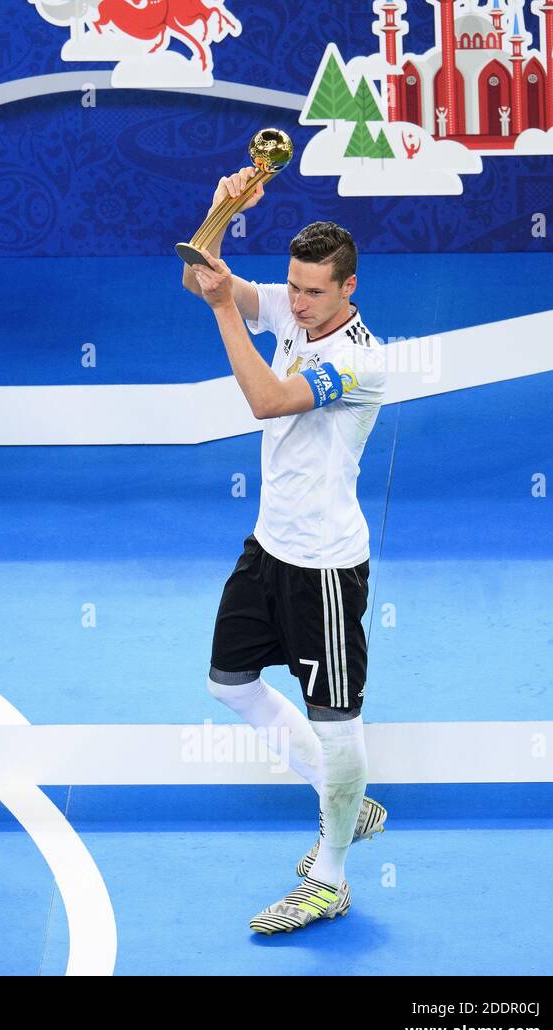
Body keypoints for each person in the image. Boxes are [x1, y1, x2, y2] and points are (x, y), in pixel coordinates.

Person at [182, 168, 389, 934]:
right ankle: (345, 802)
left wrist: (222, 313)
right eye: (293, 288)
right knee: (229, 683)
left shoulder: (362, 361)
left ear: (348, 288)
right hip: (269, 550)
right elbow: (201, 275)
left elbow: (265, 400)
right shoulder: (297, 315)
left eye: (312, 293)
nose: (295, 304)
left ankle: (331, 875)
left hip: (326, 571)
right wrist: (222, 207)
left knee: (338, 724)